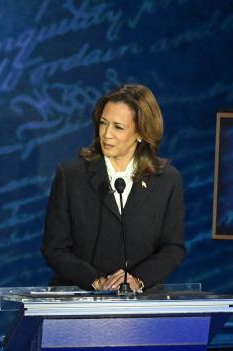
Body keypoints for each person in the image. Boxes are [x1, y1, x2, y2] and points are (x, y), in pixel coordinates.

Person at [41, 83, 185, 292]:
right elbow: (54, 248)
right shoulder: (71, 175)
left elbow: (173, 248)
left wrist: (138, 280)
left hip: (141, 305)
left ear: (141, 133)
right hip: (80, 299)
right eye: (103, 123)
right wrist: (98, 282)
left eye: (118, 127)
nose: (106, 134)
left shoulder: (167, 180)